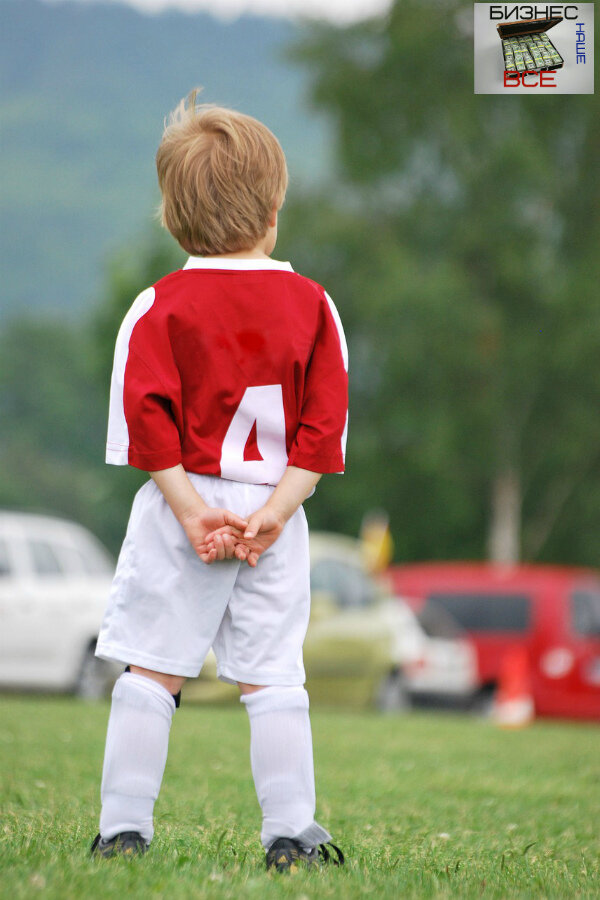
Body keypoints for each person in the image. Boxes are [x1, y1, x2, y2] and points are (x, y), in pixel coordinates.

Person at [90, 89, 348, 873]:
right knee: (273, 676)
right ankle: (291, 833)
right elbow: (320, 433)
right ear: (274, 210)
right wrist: (272, 511)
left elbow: (148, 429)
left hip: (182, 508)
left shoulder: (157, 306)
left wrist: (196, 511)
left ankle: (124, 828)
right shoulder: (313, 305)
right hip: (278, 510)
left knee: (153, 667)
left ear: (172, 218)